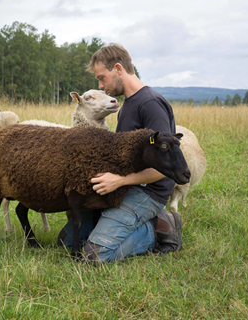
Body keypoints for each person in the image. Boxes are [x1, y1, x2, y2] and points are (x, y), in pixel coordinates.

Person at [57, 43, 183, 264]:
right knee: (65, 242)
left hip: (148, 192)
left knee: (93, 255)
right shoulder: (127, 105)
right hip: (125, 187)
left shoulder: (150, 104)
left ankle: (160, 228)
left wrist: (120, 181)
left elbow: (164, 168)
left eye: (102, 78)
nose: (100, 85)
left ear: (118, 69)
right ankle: (115, 224)